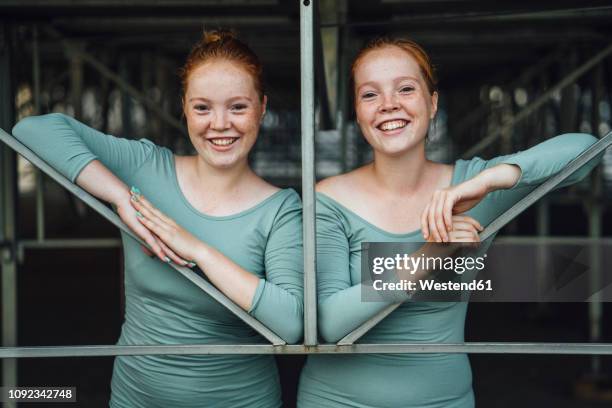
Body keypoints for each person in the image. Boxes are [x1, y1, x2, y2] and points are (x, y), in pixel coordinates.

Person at [297, 37, 600, 407]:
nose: (388, 104)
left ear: (433, 102)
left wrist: (490, 179)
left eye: (406, 89)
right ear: (357, 112)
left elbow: (587, 150)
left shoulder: (473, 188)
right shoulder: (328, 198)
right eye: (369, 94)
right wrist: (430, 255)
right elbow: (330, 325)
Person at [13, 29, 303, 408]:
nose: (219, 124)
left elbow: (290, 324)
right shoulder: (148, 167)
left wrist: (198, 248)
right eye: (202, 108)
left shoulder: (280, 209)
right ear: (183, 107)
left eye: (237, 107)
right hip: (136, 397)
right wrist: (121, 199)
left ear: (262, 108)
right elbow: (32, 130)